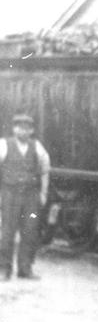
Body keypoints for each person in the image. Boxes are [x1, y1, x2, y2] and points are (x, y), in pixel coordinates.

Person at [0, 113, 51, 280]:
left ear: (32, 130)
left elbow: (45, 170)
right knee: (7, 232)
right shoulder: (4, 145)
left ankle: (25, 269)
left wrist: (43, 193)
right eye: (20, 128)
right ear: (14, 129)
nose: (24, 131)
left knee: (30, 231)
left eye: (27, 128)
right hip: (10, 196)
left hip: (31, 198)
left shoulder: (37, 147)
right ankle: (3, 269)